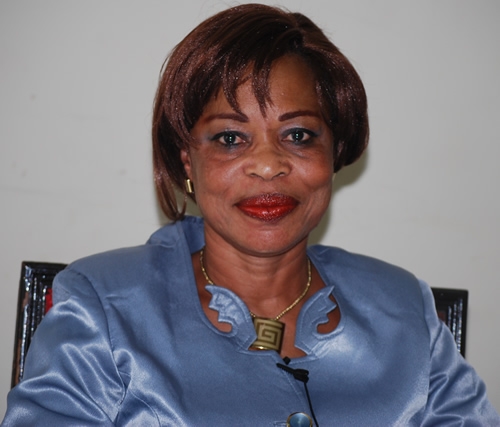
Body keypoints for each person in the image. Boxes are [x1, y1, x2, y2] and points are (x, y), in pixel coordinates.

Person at [2, 4, 499, 426]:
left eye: (299, 135)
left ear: (334, 152)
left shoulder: (407, 311)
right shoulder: (103, 307)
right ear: (187, 160)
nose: (268, 165)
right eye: (230, 138)